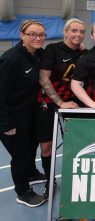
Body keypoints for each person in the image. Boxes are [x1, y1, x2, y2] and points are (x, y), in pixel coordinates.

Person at [36, 18, 86, 198]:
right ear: (65, 31)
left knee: (75, 145)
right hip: (49, 103)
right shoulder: (52, 50)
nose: (78, 34)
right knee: (47, 147)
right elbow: (44, 79)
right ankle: (50, 181)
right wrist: (60, 102)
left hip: (73, 105)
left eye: (81, 32)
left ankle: (75, 180)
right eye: (74, 31)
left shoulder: (83, 53)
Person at [0, 19, 46, 207]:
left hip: (30, 115)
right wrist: (6, 124)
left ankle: (32, 172)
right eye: (32, 34)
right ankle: (23, 192)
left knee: (31, 148)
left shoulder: (39, 54)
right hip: (12, 118)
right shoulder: (11, 58)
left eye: (41, 35)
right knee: (20, 156)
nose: (37, 38)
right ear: (22, 36)